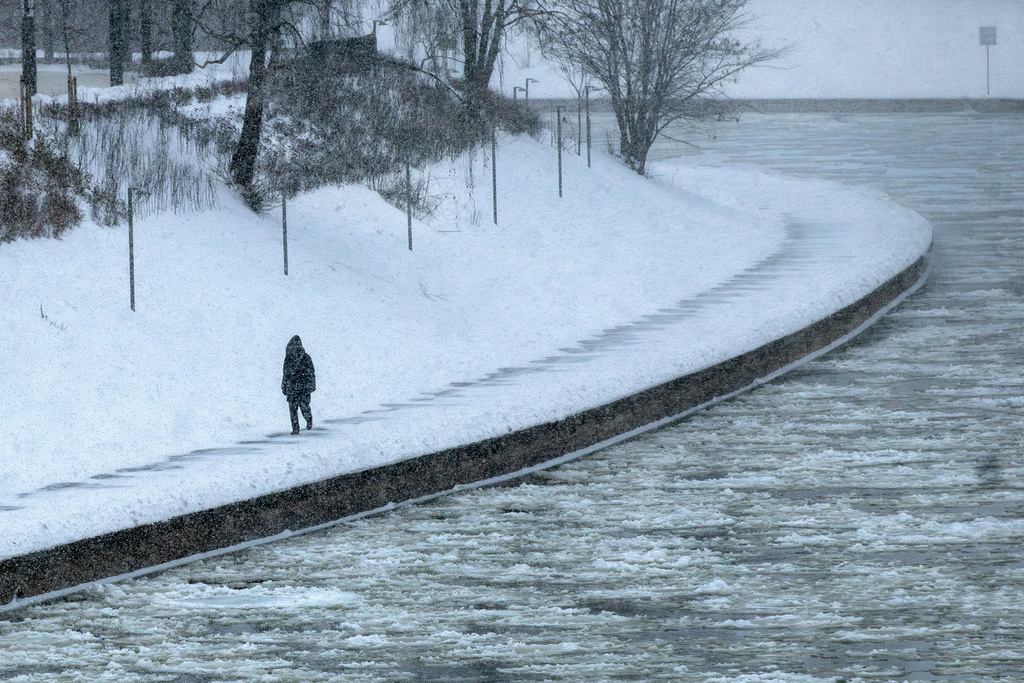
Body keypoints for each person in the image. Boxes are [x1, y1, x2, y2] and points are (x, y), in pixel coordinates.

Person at [282, 335, 315, 434]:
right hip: (298, 386)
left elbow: (286, 374)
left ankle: (302, 424)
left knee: (299, 407)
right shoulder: (292, 358)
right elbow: (285, 374)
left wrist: (284, 385)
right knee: (298, 407)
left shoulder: (302, 357)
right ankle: (299, 425)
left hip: (298, 386)